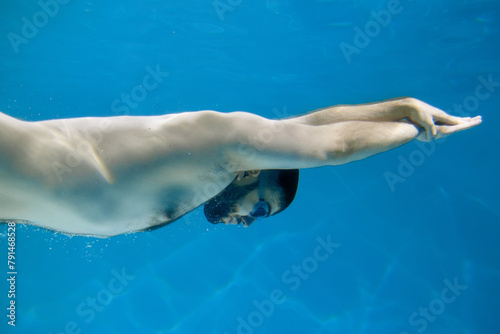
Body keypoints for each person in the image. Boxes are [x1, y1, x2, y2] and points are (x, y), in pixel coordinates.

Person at [0, 97, 481, 237]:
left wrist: (395, 107)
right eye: (260, 210)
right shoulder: (226, 145)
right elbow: (328, 146)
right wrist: (417, 128)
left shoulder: (207, 171)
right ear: (254, 171)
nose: (246, 221)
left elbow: (307, 123)